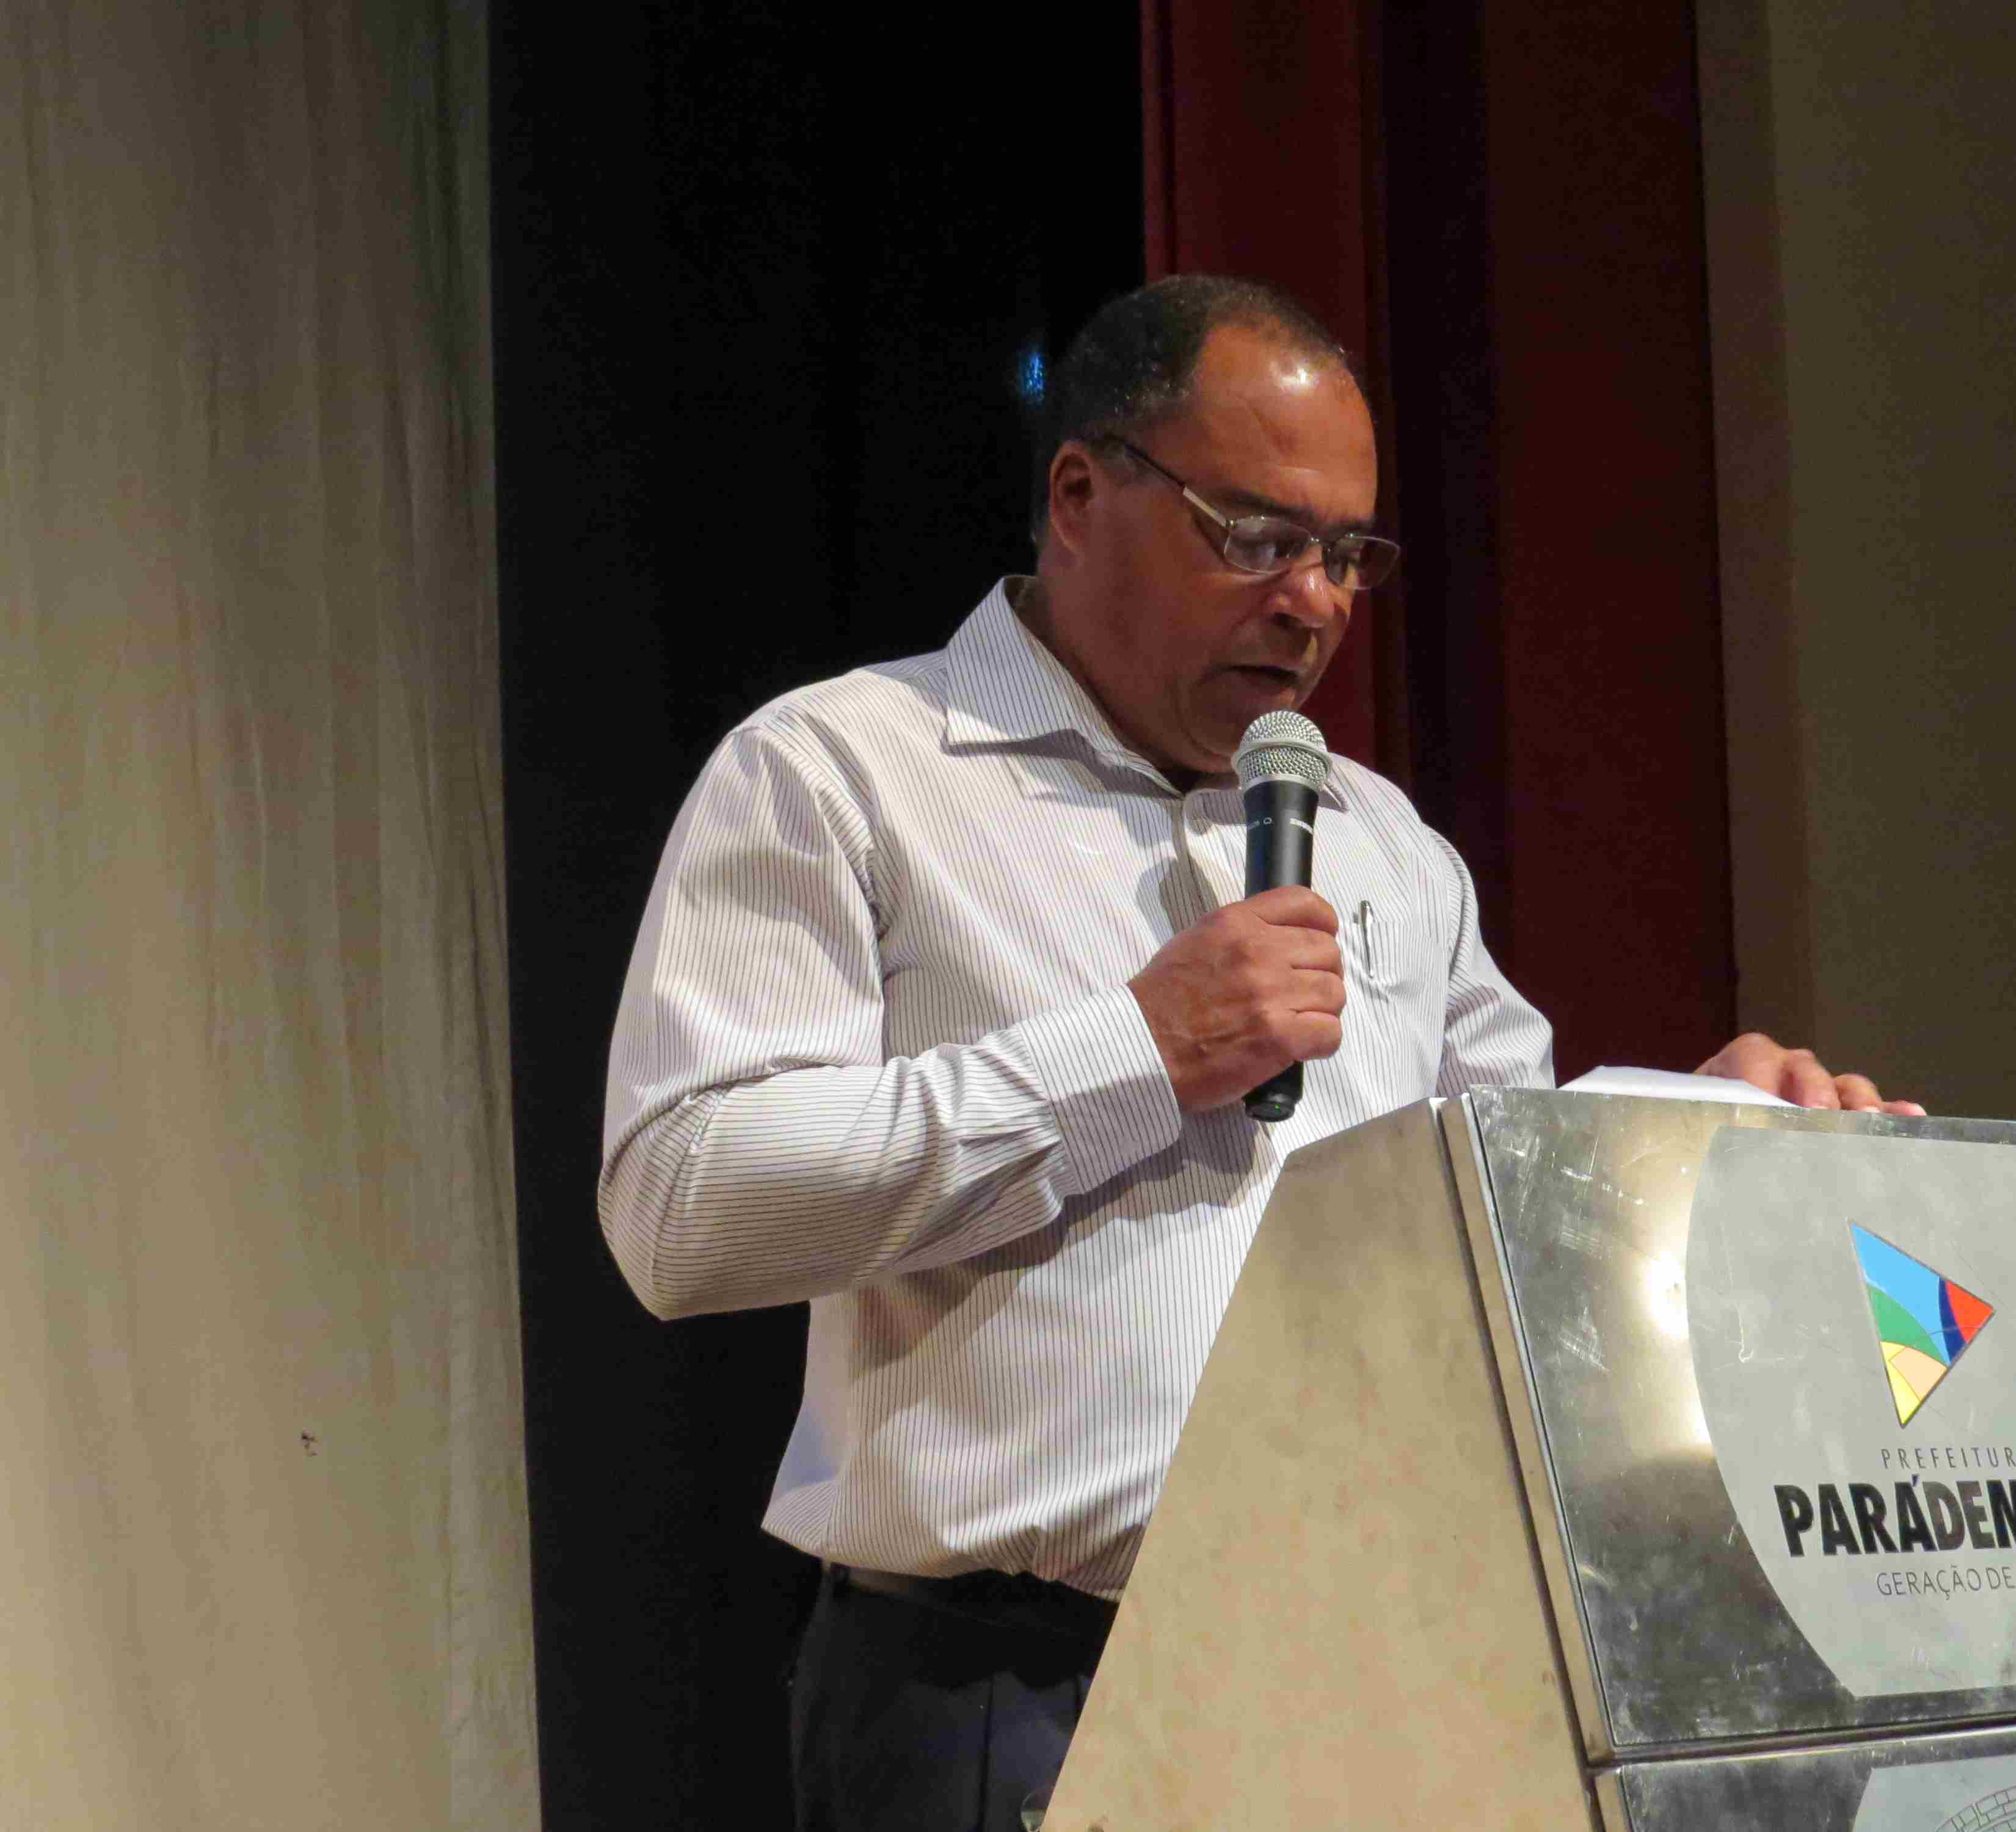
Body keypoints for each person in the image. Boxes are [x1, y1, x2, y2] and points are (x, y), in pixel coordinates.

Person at [599, 274, 1918, 1832]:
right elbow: (684, 1208)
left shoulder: (1381, 839)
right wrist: (1136, 1051)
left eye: (1346, 555)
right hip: (1011, 1697)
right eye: (1255, 538)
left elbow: (1490, 1201)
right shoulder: (839, 773)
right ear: (1079, 496)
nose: (1312, 603)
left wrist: (1687, 1126)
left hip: (1376, 1672)